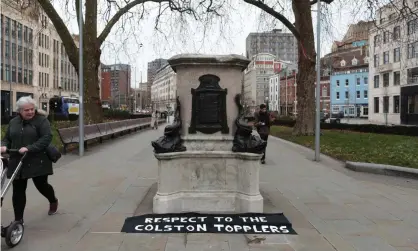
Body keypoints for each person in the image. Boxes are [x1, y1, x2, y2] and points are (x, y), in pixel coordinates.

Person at [1, 96, 59, 227]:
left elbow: (47, 137)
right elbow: (7, 138)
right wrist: (3, 145)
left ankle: (53, 200)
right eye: (26, 110)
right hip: (17, 160)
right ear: (19, 111)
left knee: (42, 185)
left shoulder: (41, 121)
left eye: (32, 109)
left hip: (37, 159)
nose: (30, 112)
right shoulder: (13, 122)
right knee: (18, 190)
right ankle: (18, 221)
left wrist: (29, 148)